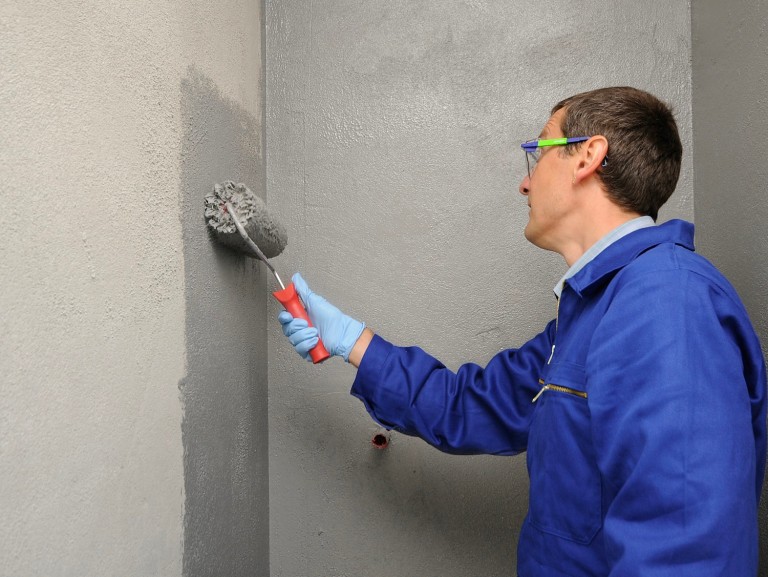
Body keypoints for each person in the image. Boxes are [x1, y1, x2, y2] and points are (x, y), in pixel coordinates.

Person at [277, 86, 767, 577]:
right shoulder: (594, 313)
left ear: (587, 157)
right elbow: (468, 406)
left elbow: (687, 553)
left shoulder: (668, 304)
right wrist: (349, 339)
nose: (525, 184)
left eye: (538, 151)